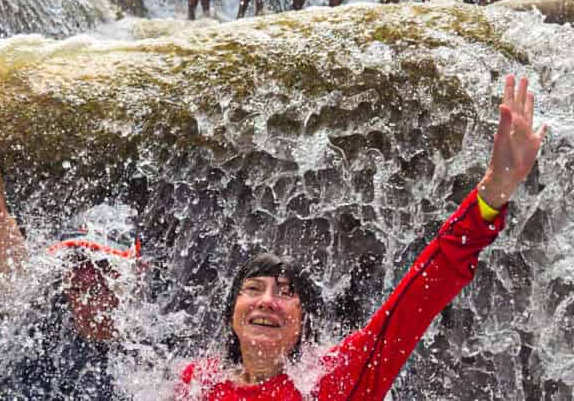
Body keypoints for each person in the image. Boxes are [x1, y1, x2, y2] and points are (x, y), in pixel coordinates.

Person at [177, 75, 547, 401]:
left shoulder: (334, 380)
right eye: (253, 288)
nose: (268, 302)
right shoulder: (193, 384)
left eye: (286, 293)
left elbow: (421, 292)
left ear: (305, 322)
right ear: (231, 314)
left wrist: (494, 190)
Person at [0, 0, 143, 399]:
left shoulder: (150, 354)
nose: (89, 283)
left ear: (130, 279)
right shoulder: (33, 312)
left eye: (104, 270)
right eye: (79, 269)